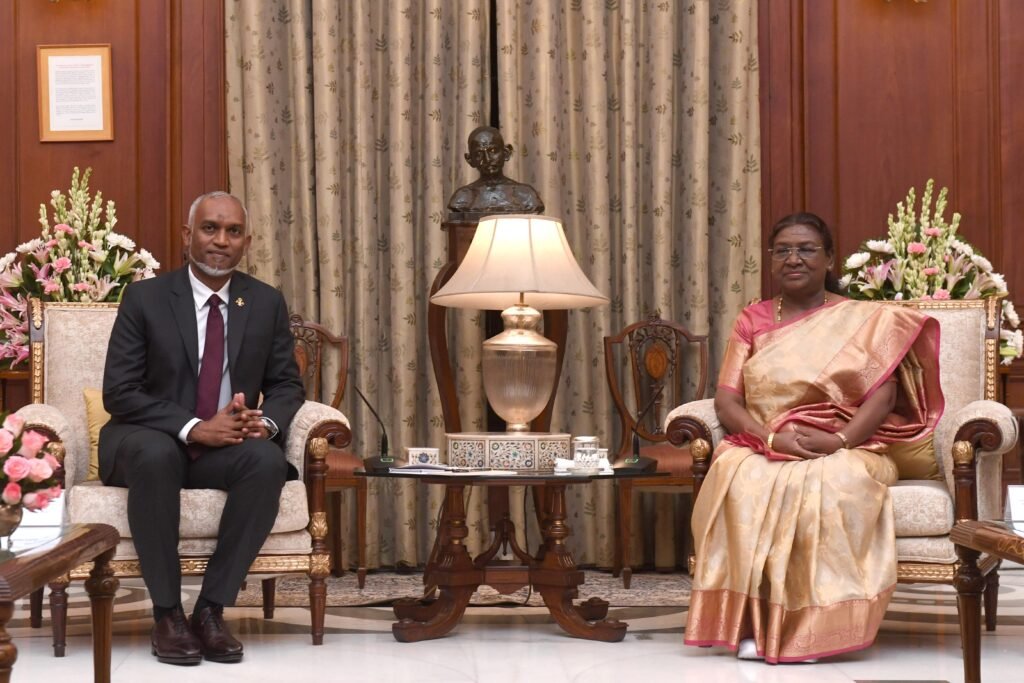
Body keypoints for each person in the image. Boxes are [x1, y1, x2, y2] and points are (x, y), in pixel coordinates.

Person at [684, 212, 943, 663]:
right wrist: (771, 439)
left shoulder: (864, 321)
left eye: (806, 249)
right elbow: (727, 401)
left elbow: (882, 397)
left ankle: (815, 631)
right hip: (767, 443)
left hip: (852, 446)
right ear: (770, 259)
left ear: (829, 259)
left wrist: (839, 441)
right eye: (783, 250)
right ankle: (755, 625)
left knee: (833, 483)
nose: (793, 258)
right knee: (739, 478)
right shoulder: (752, 319)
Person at [99, 191, 305, 666]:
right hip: (148, 437)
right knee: (156, 454)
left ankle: (211, 609)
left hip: (224, 445)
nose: (221, 241)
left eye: (233, 232)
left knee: (267, 461)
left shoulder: (265, 301)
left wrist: (264, 422)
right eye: (210, 228)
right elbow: (120, 391)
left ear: (247, 242)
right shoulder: (146, 297)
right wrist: (194, 427)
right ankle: (167, 614)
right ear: (187, 235)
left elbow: (285, 384)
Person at [447, 126, 544, 214]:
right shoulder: (463, 198)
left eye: (493, 151)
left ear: (506, 153)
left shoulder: (526, 196)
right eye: (479, 154)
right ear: (470, 160)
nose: (487, 159)